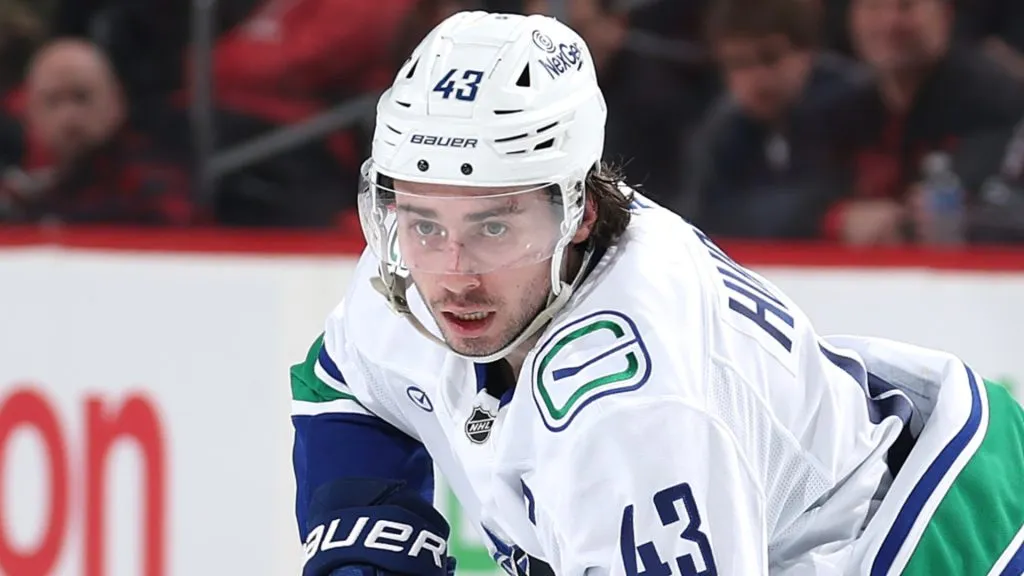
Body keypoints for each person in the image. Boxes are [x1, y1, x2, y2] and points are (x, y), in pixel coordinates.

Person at [290, 11, 1024, 576]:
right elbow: (346, 380)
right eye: (424, 222)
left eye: (494, 225)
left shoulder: (638, 411)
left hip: (933, 536)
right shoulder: (411, 274)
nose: (453, 274)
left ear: (578, 212)